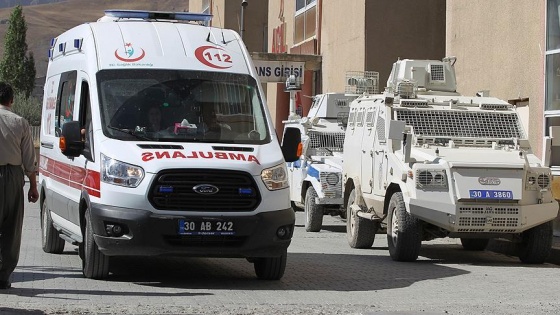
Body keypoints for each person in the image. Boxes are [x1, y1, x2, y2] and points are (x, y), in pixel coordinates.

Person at [0, 82, 39, 289]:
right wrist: (33, 186)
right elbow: (29, 159)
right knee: (11, 226)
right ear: (12, 100)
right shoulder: (20, 122)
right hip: (14, 176)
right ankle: (3, 275)